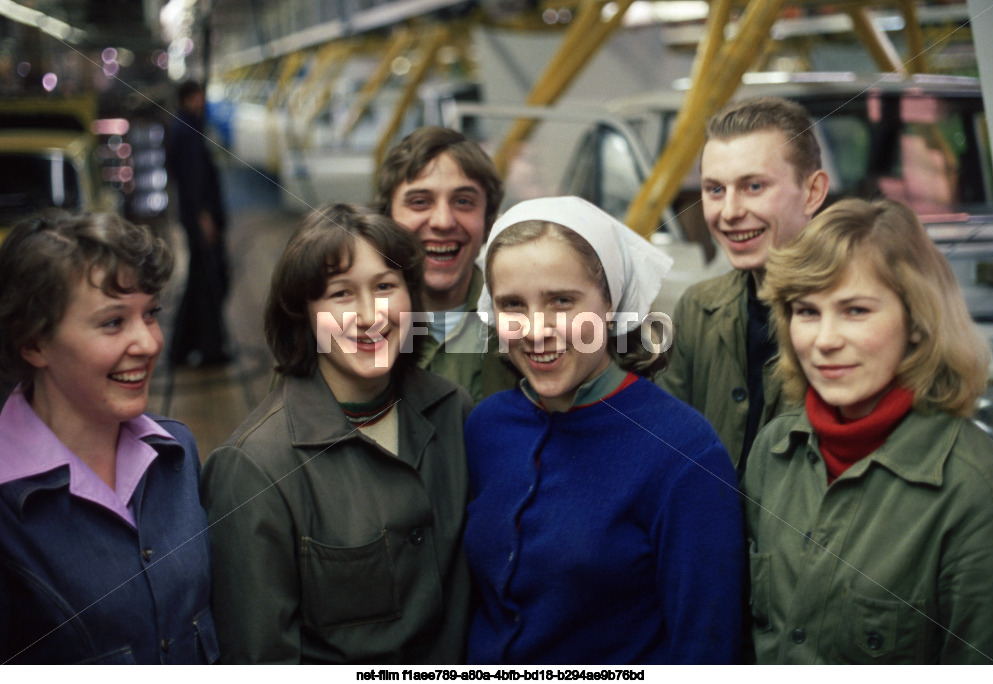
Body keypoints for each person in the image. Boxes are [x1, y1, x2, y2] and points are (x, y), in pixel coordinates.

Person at [464, 196, 744, 664]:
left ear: (610, 303)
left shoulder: (683, 451)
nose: (536, 330)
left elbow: (705, 645)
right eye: (513, 304)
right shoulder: (486, 426)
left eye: (562, 301)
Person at [200, 203, 473, 663]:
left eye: (386, 286)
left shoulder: (452, 411)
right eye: (341, 294)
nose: (370, 315)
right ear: (302, 314)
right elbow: (260, 656)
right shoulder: (254, 467)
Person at [745, 198, 993, 664]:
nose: (825, 340)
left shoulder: (975, 489)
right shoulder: (773, 450)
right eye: (806, 311)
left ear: (918, 324)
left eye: (856, 310)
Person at [0, 210, 217, 664]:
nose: (150, 342)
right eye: (113, 322)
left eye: (151, 314)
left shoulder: (175, 456)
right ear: (34, 344)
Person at [656, 97, 830, 472]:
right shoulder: (699, 308)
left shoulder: (851, 316)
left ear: (813, 192)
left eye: (753, 186)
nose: (730, 212)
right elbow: (670, 446)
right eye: (715, 190)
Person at [375, 126, 516, 401]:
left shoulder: (523, 323)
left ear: (487, 220)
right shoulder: (345, 323)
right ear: (387, 218)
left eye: (463, 201)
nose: (442, 221)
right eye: (420, 202)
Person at [164, 79, 229, 366]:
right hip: (200, 218)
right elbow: (193, 179)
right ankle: (209, 348)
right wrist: (204, 217)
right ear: (190, 97)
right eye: (200, 95)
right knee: (211, 282)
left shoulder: (185, 125)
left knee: (201, 280)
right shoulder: (188, 130)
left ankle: (183, 346)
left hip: (195, 217)